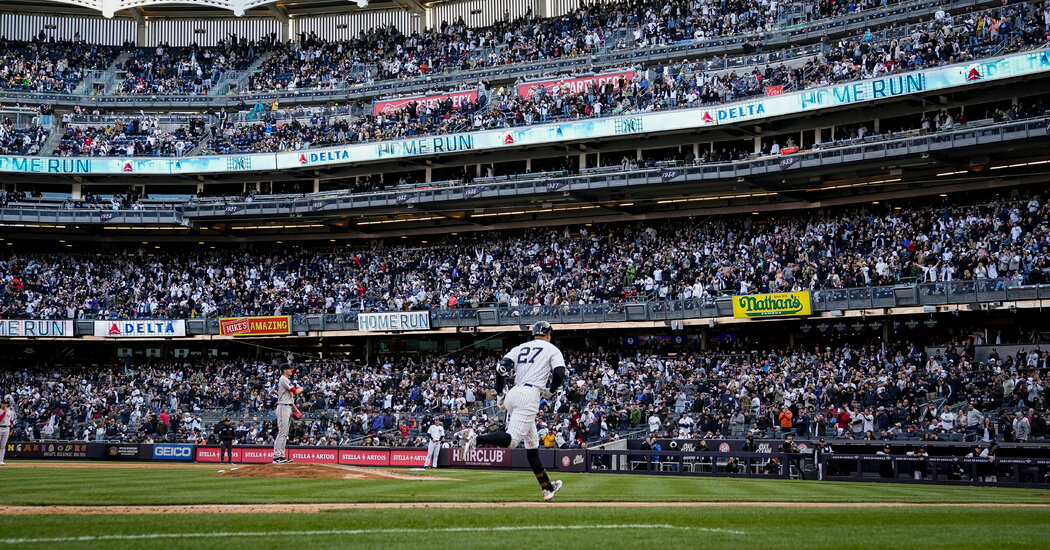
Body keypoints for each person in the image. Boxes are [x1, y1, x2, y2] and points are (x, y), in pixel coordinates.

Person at [462, 321, 565, 501]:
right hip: (530, 394)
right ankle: (476, 439)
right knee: (511, 441)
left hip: (513, 392)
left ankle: (547, 488)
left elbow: (501, 369)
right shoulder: (552, 349)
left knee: (532, 446)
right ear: (548, 334)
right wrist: (552, 390)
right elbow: (559, 373)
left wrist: (501, 393)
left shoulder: (520, 347)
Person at [273, 364, 304, 464]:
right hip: (282, 407)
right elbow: (295, 392)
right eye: (289, 369)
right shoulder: (283, 379)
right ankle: (277, 456)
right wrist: (302, 389)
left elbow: (290, 399)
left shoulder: (286, 379)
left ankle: (281, 456)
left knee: (285, 433)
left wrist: (296, 409)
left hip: (287, 406)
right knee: (282, 432)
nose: (291, 370)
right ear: (284, 370)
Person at [0, 399, 13, 465]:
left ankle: (1, 460)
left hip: (7, 428)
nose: (5, 405)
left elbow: (10, 421)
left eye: (6, 403)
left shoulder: (10, 412)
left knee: (3, 445)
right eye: (4, 403)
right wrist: (4, 412)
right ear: (1, 404)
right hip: (0, 427)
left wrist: (10, 430)